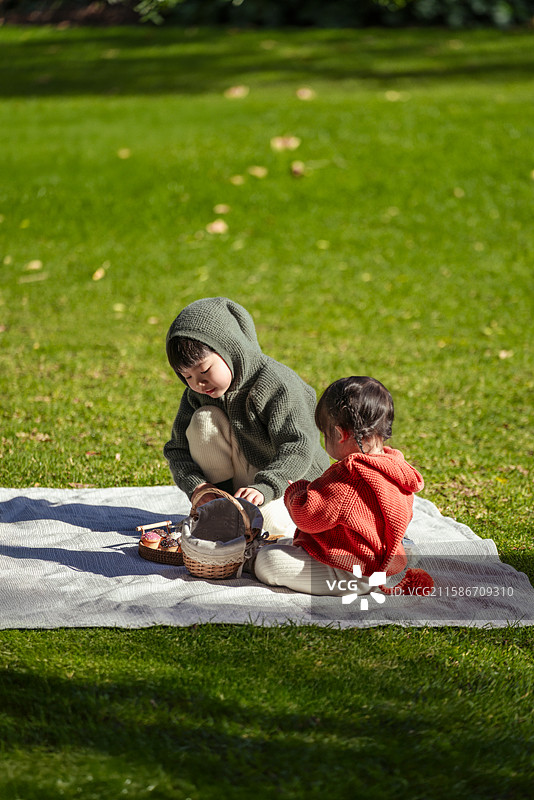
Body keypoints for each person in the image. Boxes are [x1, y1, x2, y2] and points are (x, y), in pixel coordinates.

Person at [163, 297, 330, 536]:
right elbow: (177, 450)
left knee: (269, 524)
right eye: (187, 376)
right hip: (249, 485)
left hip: (294, 482)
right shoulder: (197, 394)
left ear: (229, 348)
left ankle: (266, 522)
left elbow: (298, 446)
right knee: (204, 420)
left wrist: (265, 487)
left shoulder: (278, 384)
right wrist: (199, 488)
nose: (198, 383)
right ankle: (222, 509)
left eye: (204, 370)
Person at [254, 376, 433, 596]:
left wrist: (296, 491)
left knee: (268, 561)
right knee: (285, 543)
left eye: (325, 435)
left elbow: (307, 517)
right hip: (382, 561)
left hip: (351, 573)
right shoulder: (396, 466)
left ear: (339, 434)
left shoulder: (349, 476)